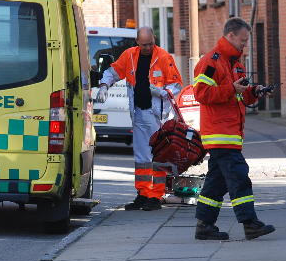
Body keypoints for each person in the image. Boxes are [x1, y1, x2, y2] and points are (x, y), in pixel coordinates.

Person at [192, 17, 275, 240]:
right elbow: (201, 94)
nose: (244, 45)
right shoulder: (211, 62)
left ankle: (204, 226)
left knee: (216, 183)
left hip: (229, 133)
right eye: (242, 40)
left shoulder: (235, 64)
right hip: (220, 133)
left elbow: (239, 93)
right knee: (239, 177)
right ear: (230, 36)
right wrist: (231, 88)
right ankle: (250, 223)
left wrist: (255, 91)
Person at [96, 27, 183, 211]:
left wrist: (159, 92)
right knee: (142, 158)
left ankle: (156, 195)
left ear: (154, 39)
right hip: (139, 113)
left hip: (158, 116)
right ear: (137, 42)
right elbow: (112, 72)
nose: (147, 48)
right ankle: (143, 194)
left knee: (158, 155)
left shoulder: (164, 57)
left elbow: (176, 86)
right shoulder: (129, 56)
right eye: (144, 45)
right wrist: (104, 85)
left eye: (150, 44)